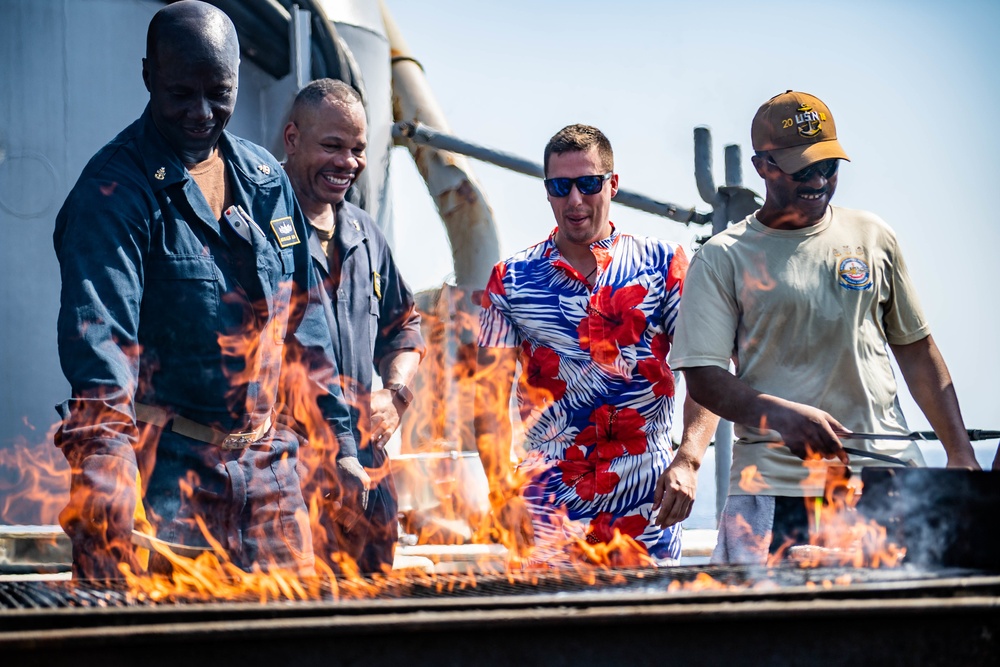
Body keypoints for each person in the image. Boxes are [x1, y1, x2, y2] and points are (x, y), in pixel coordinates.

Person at [53, 1, 363, 580]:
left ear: (239, 77)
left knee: (289, 641)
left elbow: (305, 323)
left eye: (218, 92)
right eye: (181, 93)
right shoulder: (113, 193)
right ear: (148, 76)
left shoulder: (266, 181)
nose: (201, 112)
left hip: (272, 481)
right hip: (168, 482)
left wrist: (339, 443)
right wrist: (105, 482)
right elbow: (102, 348)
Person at [670, 90, 981, 564]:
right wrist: (781, 416)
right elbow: (706, 379)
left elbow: (917, 352)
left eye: (829, 166)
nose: (819, 180)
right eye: (803, 169)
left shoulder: (873, 235)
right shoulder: (722, 257)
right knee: (777, 637)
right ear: (763, 166)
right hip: (775, 487)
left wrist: (959, 453)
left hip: (889, 481)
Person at [475, 124, 718, 566]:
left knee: (649, 632)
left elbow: (707, 370)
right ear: (546, 190)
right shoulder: (509, 279)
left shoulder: (665, 263)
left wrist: (689, 461)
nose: (575, 200)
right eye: (560, 186)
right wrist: (499, 491)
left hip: (648, 499)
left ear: (613, 184)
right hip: (546, 503)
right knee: (553, 632)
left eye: (588, 184)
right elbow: (487, 400)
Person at [283, 79, 424, 573]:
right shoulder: (257, 224)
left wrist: (397, 393)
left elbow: (406, 325)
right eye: (332, 146)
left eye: (358, 148)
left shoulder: (365, 234)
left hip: (366, 474)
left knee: (372, 627)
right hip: (283, 475)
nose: (348, 162)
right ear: (292, 138)